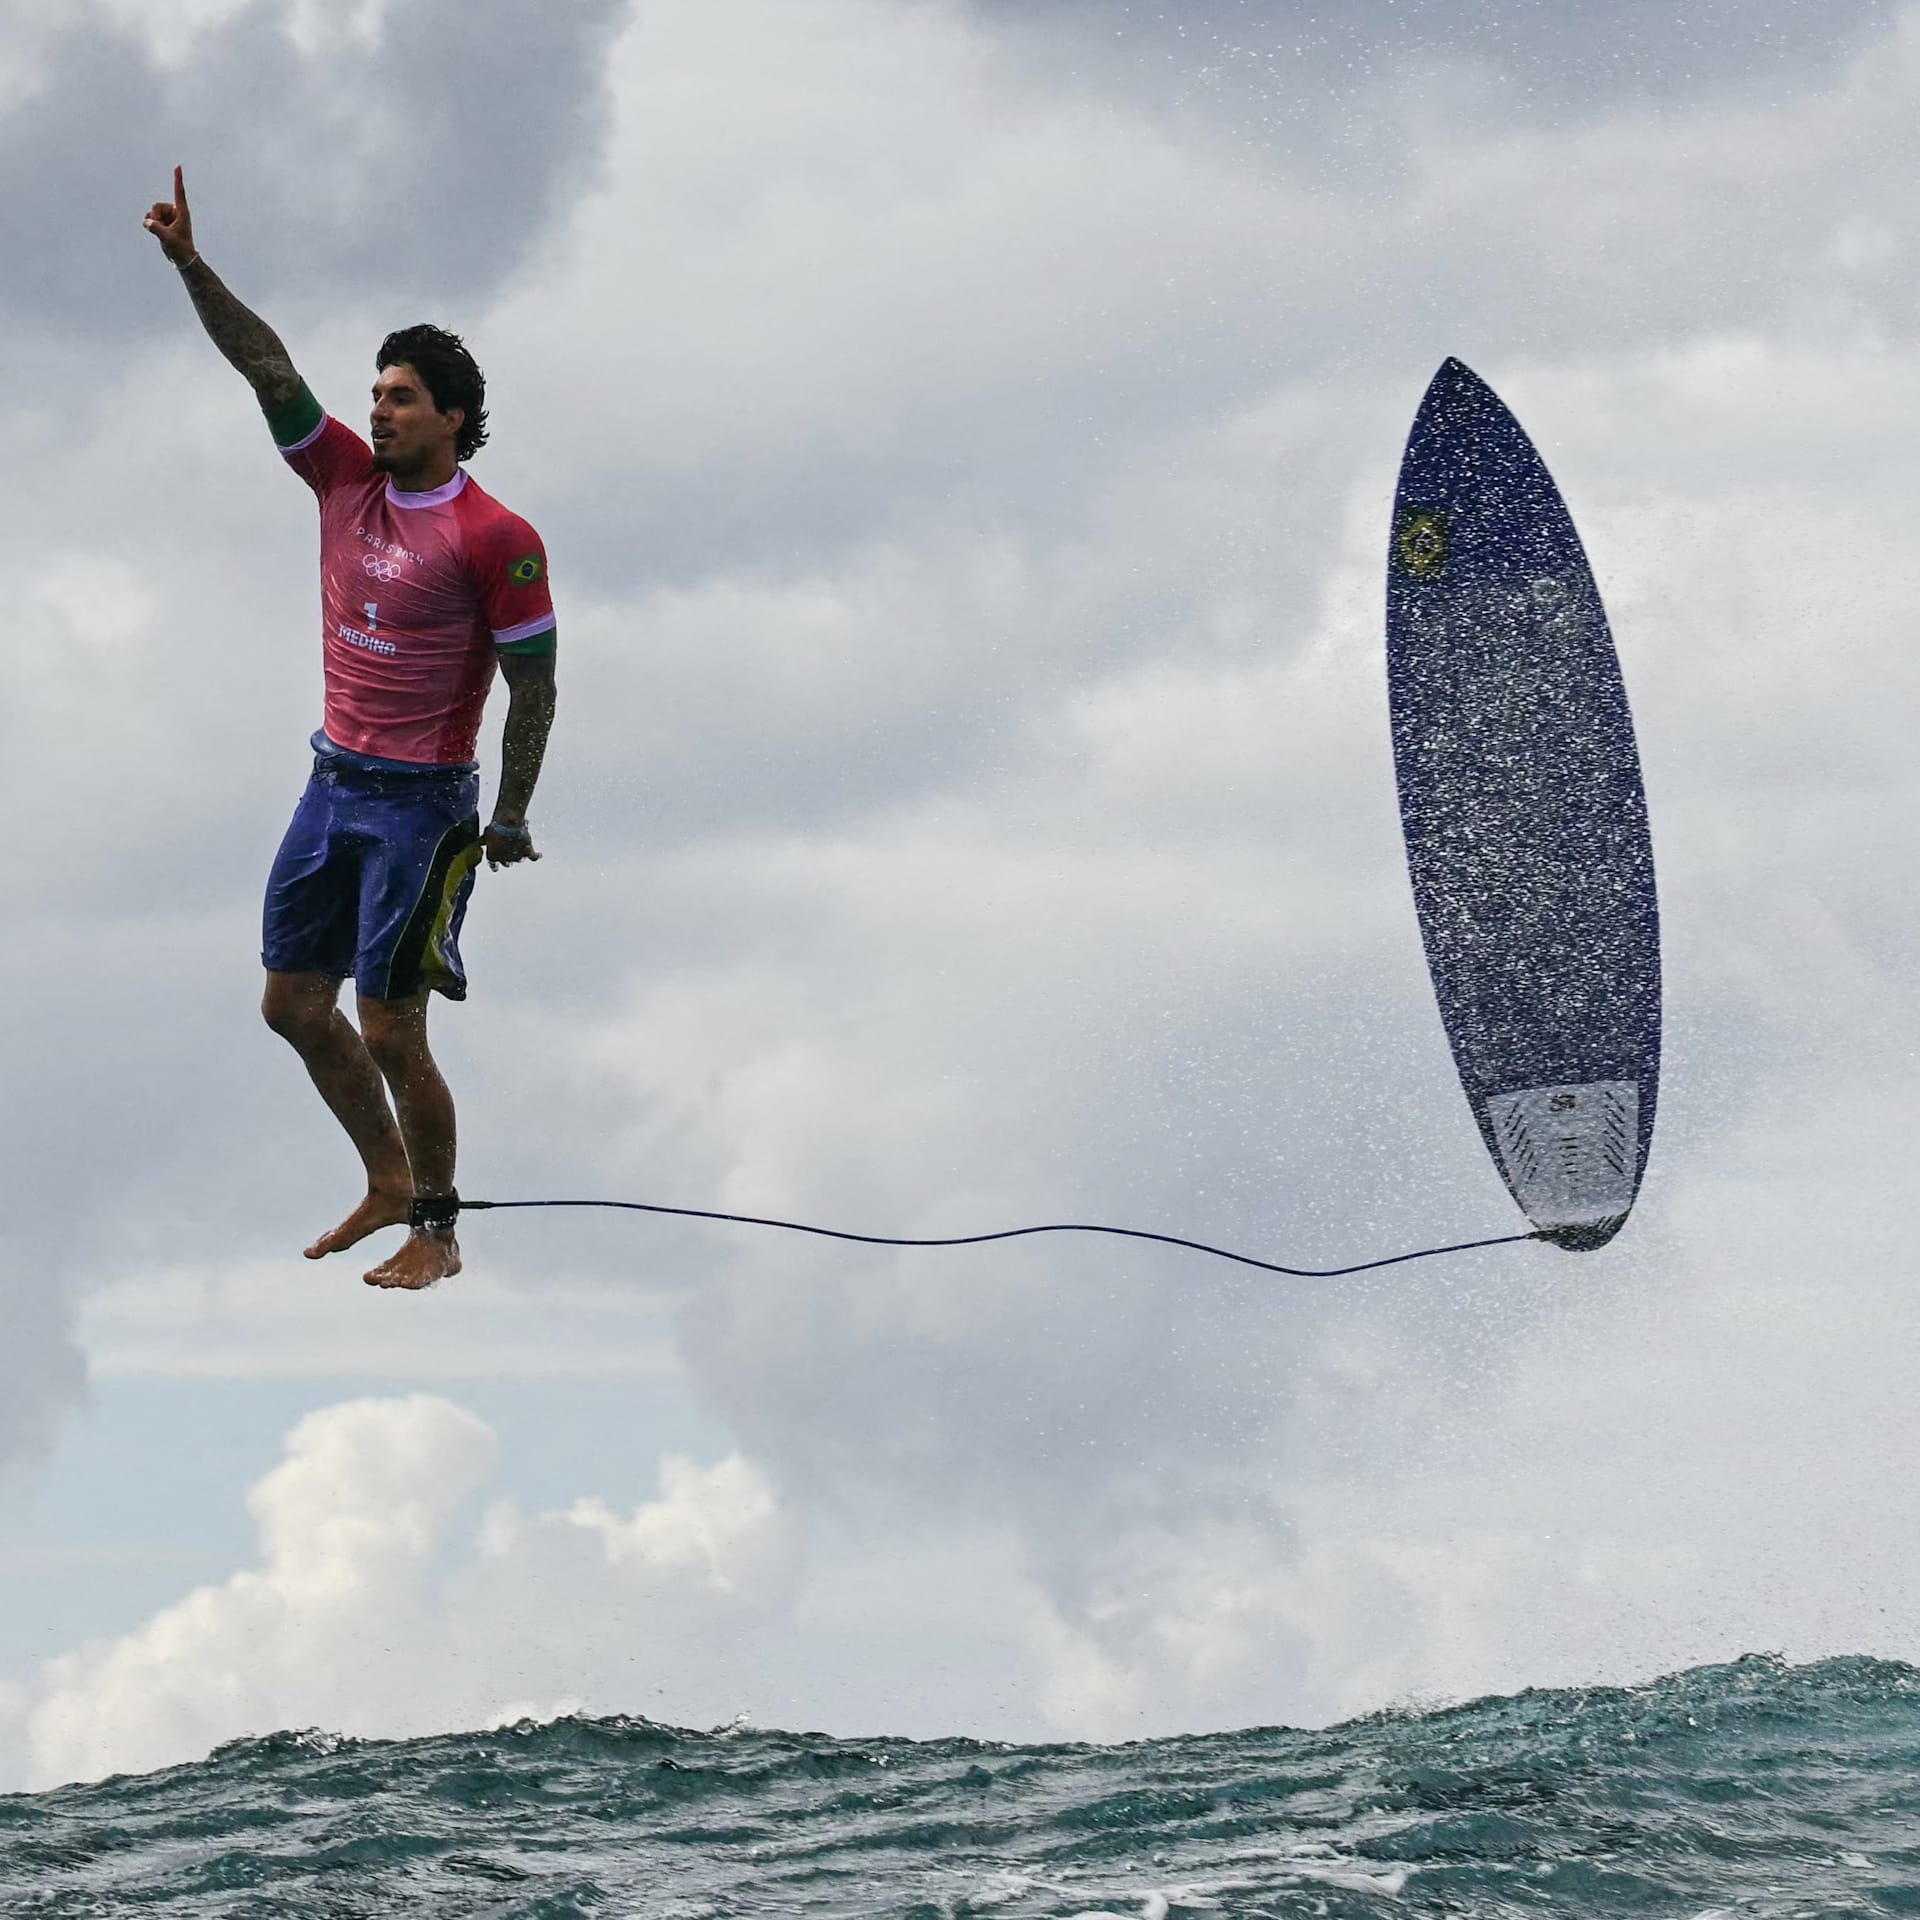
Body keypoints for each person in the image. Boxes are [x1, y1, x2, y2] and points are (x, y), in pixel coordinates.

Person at [143, 166, 558, 1292]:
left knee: (389, 1026)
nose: (378, 410)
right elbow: (265, 364)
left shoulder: (495, 536)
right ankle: (384, 1176)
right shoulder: (341, 479)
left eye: (402, 398)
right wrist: (190, 266)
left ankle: (438, 1226)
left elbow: (536, 685)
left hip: (423, 809)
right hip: (332, 784)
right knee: (291, 1005)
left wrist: (511, 813)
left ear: (454, 418)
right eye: (376, 394)